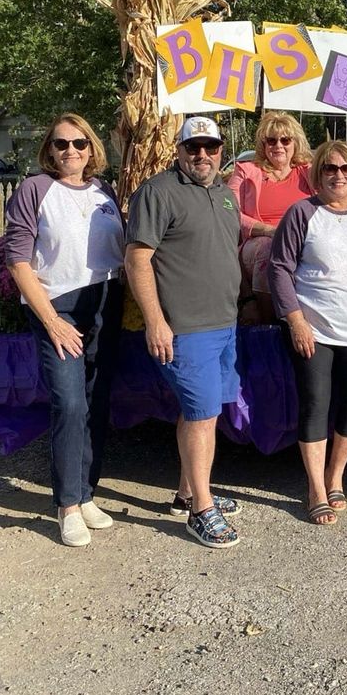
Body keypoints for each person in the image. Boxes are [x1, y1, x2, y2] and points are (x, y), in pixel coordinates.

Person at [4, 113, 125, 547]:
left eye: (78, 143)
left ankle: (87, 492)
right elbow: (18, 262)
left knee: (96, 401)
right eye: (60, 144)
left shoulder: (103, 191)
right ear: (49, 150)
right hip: (59, 308)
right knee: (70, 404)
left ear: (92, 148)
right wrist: (52, 320)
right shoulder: (34, 189)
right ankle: (67, 505)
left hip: (106, 302)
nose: (70, 151)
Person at [126, 115, 243, 549]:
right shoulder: (158, 192)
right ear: (178, 150)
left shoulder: (223, 193)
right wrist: (156, 321)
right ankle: (201, 511)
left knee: (200, 412)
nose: (203, 155)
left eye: (211, 147)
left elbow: (232, 236)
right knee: (202, 415)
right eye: (193, 147)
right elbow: (137, 260)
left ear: (220, 151)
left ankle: (187, 492)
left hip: (223, 324)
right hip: (185, 330)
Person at [269, 141, 347, 525]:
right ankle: (315, 489)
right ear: (317, 173)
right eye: (330, 168)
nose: (338, 175)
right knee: (316, 405)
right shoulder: (302, 213)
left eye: (346, 169)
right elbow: (278, 269)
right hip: (315, 329)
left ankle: (335, 476)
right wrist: (295, 320)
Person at [227, 111, 313, 323]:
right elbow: (227, 210)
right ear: (263, 145)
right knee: (269, 248)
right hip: (258, 241)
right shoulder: (246, 171)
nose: (278, 146)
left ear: (296, 143)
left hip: (301, 241)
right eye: (271, 140)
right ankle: (269, 320)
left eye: (285, 140)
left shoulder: (309, 173)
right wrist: (270, 231)